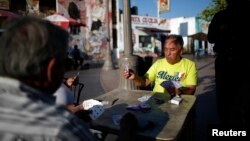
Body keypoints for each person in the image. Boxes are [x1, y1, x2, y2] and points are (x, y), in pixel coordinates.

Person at [0, 16, 136, 141]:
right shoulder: (60, 127)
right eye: (64, 62)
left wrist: (74, 112)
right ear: (51, 68)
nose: (65, 69)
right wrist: (126, 129)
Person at [207, 0, 249, 125]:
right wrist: (222, 30)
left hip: (243, 62)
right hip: (226, 62)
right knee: (225, 100)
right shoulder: (220, 16)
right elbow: (211, 37)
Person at [123, 34, 198, 96]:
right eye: (165, 49)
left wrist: (179, 91)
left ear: (181, 51)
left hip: (179, 105)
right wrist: (135, 77)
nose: (168, 53)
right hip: (157, 103)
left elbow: (191, 90)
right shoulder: (158, 63)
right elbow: (144, 83)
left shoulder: (190, 65)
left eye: (172, 50)